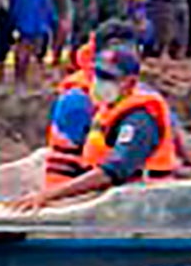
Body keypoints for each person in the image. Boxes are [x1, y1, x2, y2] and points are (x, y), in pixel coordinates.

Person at [16, 46, 182, 211]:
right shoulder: (107, 108)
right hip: (115, 200)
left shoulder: (138, 119)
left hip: (144, 205)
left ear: (129, 82)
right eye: (97, 74)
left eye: (108, 77)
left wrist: (50, 195)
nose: (99, 81)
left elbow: (114, 171)